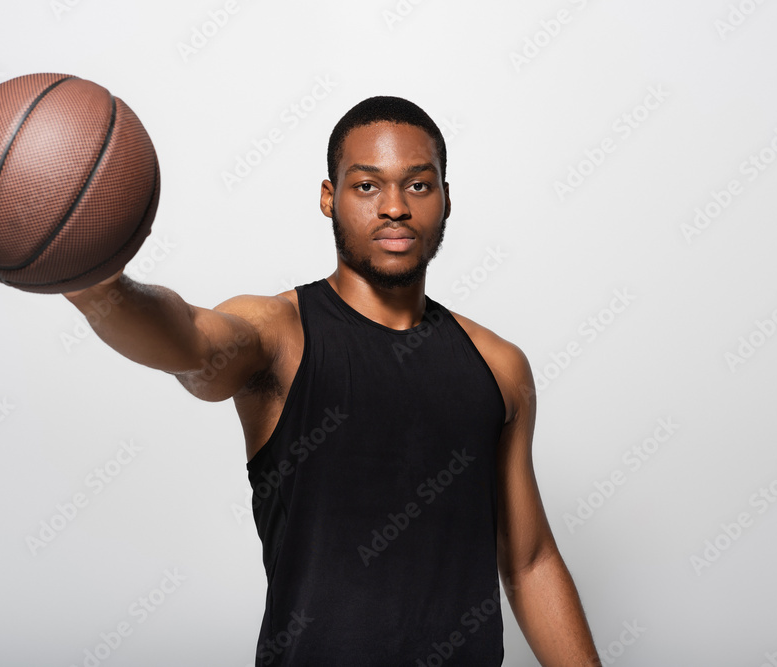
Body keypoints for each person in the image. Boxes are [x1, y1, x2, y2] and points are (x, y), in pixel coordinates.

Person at [63, 96, 600, 666]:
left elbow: (530, 561)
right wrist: (91, 279)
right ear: (329, 197)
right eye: (367, 186)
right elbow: (191, 341)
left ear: (446, 199)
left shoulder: (499, 366)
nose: (394, 207)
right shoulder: (280, 334)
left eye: (418, 186)